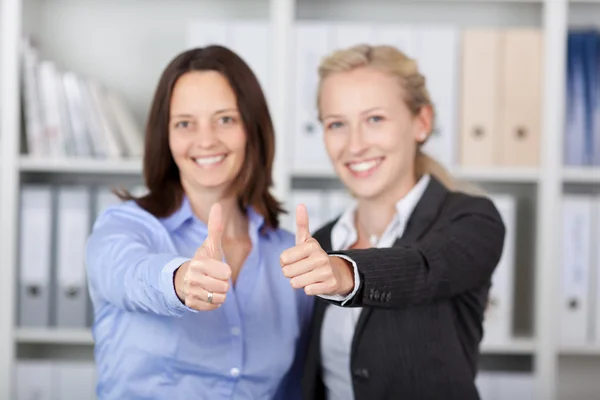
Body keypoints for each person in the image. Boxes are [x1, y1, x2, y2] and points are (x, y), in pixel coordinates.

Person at [85, 45, 313, 400]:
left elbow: (294, 386)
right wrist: (179, 281)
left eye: (225, 119)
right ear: (166, 136)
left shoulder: (289, 254)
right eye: (185, 123)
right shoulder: (123, 227)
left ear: (251, 129)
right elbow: (128, 274)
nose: (206, 140)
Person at [280, 44, 506, 400]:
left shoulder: (471, 220)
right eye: (337, 124)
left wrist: (347, 273)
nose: (354, 145)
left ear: (421, 122)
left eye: (375, 119)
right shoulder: (320, 244)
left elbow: (423, 268)